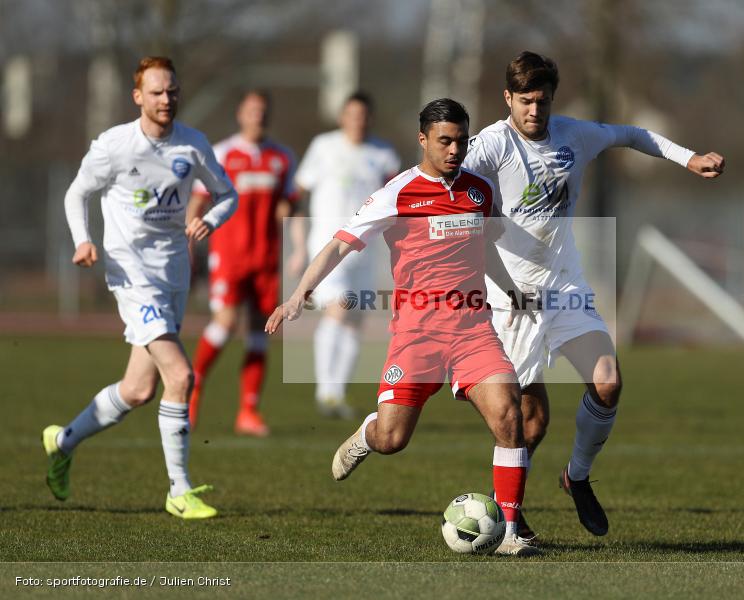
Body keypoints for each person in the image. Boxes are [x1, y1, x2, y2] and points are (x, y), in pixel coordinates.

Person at [463, 51, 725, 540]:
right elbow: (445, 174)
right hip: (511, 299)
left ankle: (576, 477)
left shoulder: (574, 135)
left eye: (542, 101)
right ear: (507, 99)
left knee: (607, 382)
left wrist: (688, 158)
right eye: (525, 101)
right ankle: (506, 512)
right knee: (529, 423)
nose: (535, 111)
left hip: (565, 286)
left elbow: (633, 134)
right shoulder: (491, 145)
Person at [267, 98, 537, 556]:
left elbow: (485, 248)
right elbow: (339, 245)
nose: (455, 150)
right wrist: (299, 294)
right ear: (423, 140)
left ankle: (509, 532)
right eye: (445, 141)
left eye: (461, 141)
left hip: (473, 330)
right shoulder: (397, 193)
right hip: (417, 335)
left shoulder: (479, 191)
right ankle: (367, 433)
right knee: (392, 439)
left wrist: (511, 291)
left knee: (510, 415)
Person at [42, 56, 238, 519]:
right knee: (181, 376)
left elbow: (227, 194)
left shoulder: (193, 144)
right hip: (130, 273)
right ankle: (179, 491)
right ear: (138, 97)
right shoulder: (115, 145)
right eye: (156, 92)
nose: (166, 99)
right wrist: (83, 240)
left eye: (172, 91)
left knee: (137, 389)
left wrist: (209, 219)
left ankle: (62, 441)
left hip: (174, 273)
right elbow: (77, 192)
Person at [187, 90, 297, 436]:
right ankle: (192, 389)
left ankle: (248, 411)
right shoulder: (222, 153)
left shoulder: (282, 157)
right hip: (230, 254)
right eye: (252, 110)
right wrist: (187, 241)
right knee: (225, 323)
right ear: (240, 114)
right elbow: (198, 201)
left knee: (260, 332)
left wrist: (296, 246)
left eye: (262, 111)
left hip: (266, 258)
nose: (257, 116)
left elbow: (288, 205)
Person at [288, 92, 400, 419]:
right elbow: (297, 195)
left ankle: (337, 394)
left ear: (370, 118)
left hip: (366, 251)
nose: (357, 121)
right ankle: (327, 392)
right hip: (329, 246)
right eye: (352, 114)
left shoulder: (383, 154)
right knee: (339, 308)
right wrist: (298, 245)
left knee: (355, 320)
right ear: (342, 117)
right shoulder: (324, 147)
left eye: (363, 115)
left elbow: (396, 202)